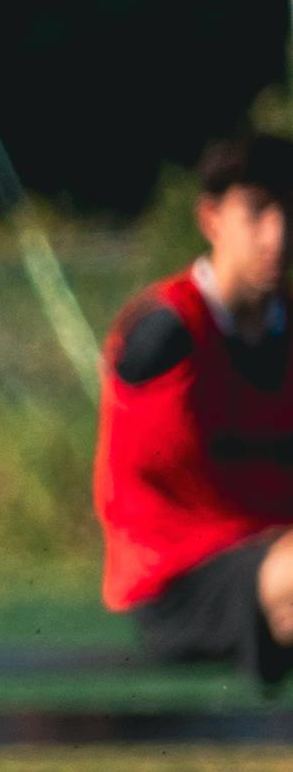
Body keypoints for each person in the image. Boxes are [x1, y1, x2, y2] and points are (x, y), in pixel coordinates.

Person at [96, 130, 293, 692]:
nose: (278, 236)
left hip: (272, 574)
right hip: (178, 587)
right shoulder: (165, 336)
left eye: (290, 211)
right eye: (257, 212)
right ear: (210, 219)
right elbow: (150, 478)